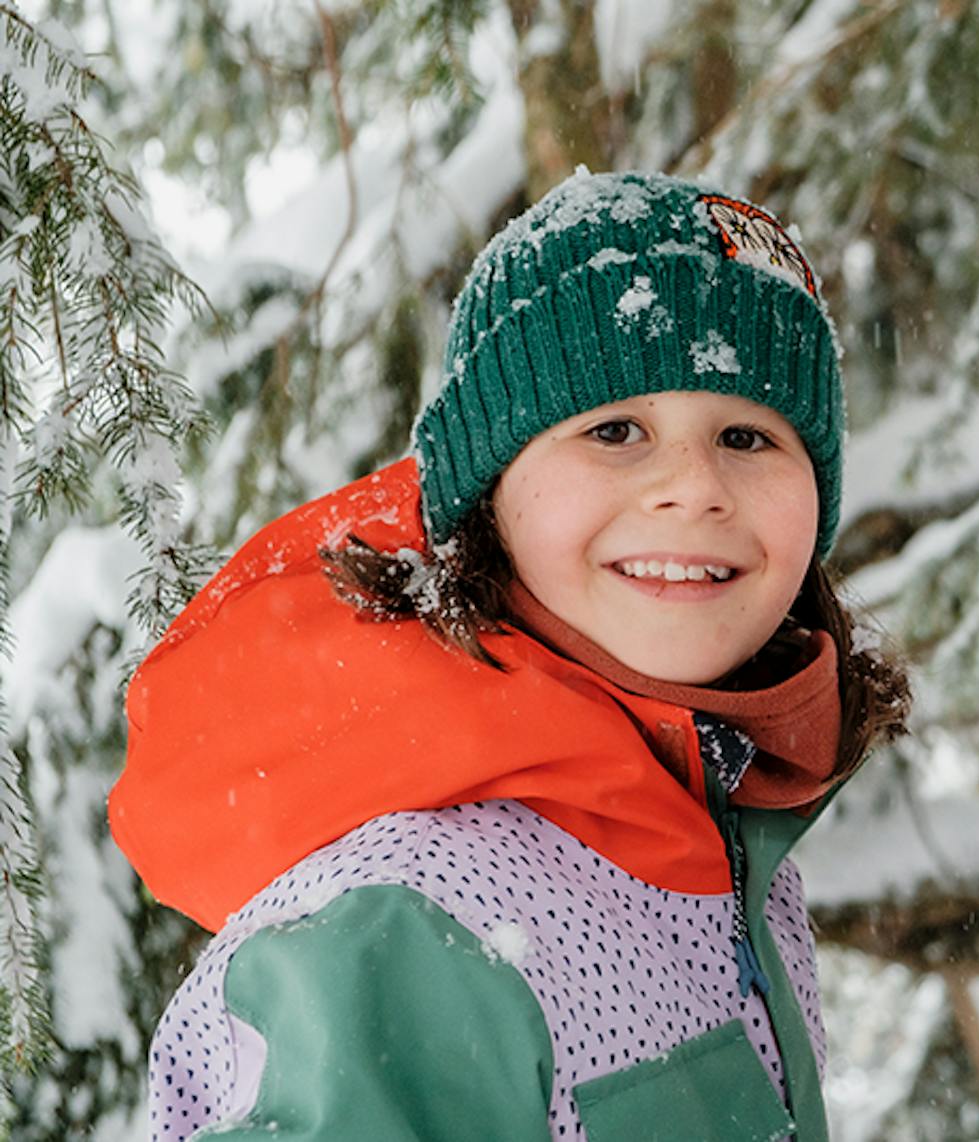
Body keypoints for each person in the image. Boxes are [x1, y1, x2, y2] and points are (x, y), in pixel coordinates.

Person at [110, 170, 907, 1140]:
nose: (694, 485)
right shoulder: (406, 927)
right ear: (484, 495)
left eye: (747, 434)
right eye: (614, 430)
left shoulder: (729, 837)